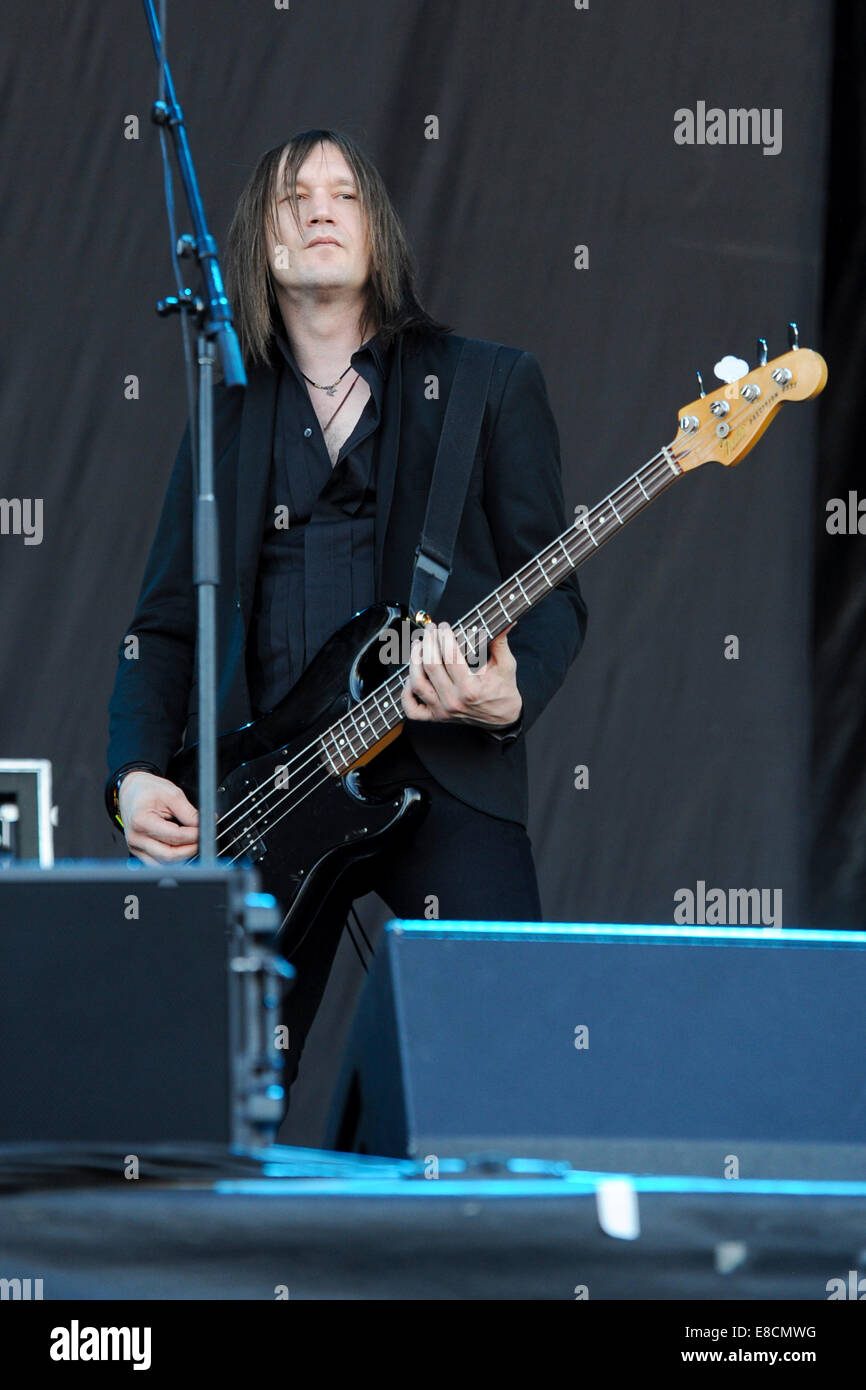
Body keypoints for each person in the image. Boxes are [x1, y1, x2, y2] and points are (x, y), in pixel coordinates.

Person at [105, 129, 587, 1097]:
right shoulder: (228, 416)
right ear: (259, 241)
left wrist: (507, 694)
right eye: (293, 197)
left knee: (499, 1075)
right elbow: (159, 626)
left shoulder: (486, 384)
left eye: (343, 195)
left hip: (443, 771)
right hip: (270, 792)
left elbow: (555, 590)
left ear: (378, 232)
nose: (319, 209)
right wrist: (130, 776)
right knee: (203, 1096)